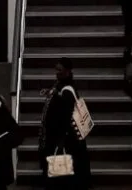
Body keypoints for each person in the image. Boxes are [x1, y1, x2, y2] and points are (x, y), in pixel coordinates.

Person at [37, 58, 90, 188]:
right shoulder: (61, 86)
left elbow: (65, 117)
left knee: (62, 176)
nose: (57, 72)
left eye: (59, 70)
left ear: (67, 71)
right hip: (61, 139)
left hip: (63, 141)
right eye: (56, 69)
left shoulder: (66, 91)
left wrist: (60, 140)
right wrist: (50, 92)